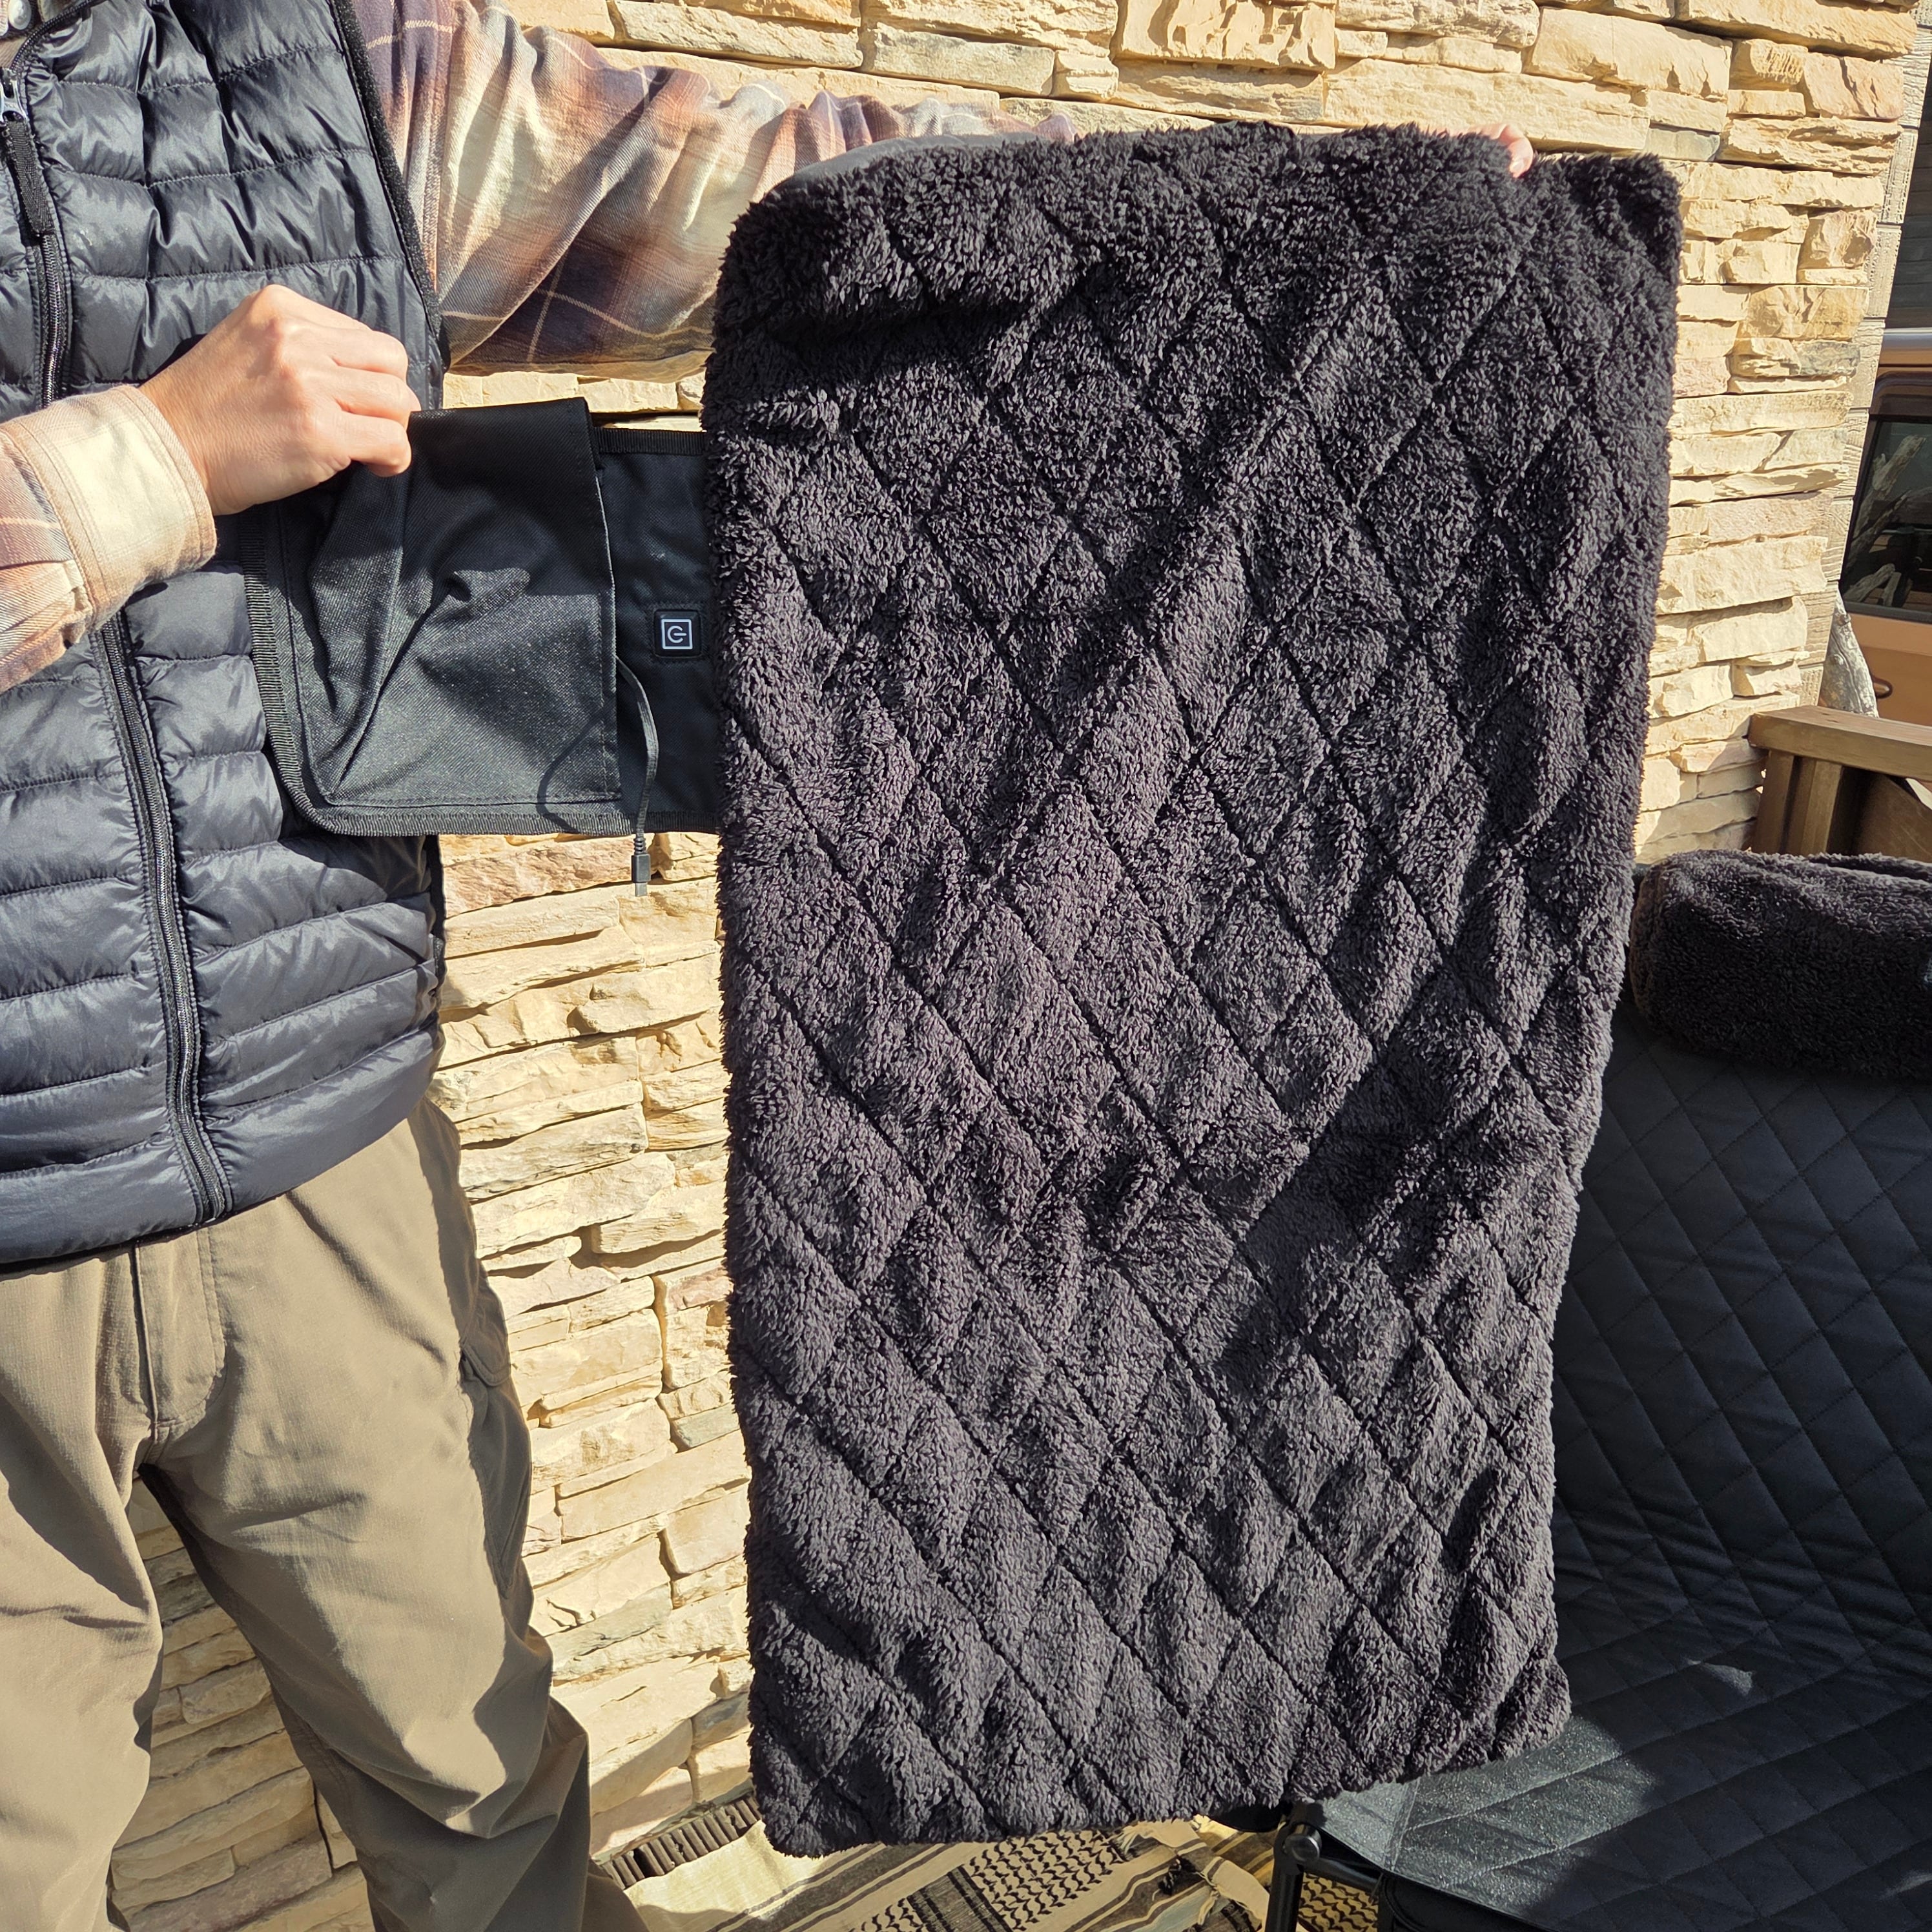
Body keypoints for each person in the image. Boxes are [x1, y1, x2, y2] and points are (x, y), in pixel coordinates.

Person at [0, 2, 1532, 1924]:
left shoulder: (286, 67)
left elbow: (782, 197)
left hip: (327, 1149)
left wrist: (1267, 208)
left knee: (478, 1789)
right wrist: (143, 458)